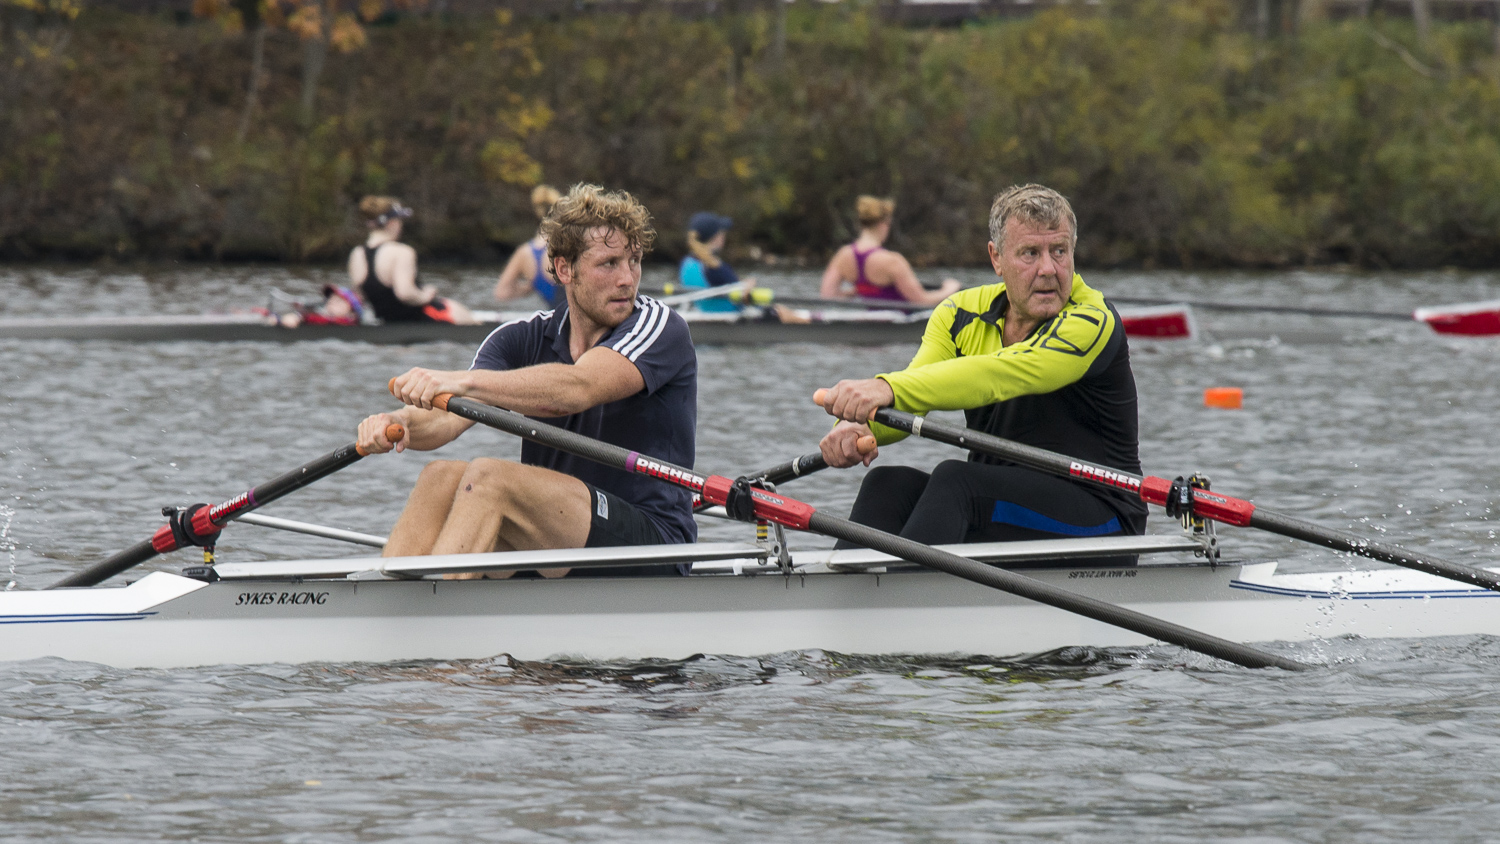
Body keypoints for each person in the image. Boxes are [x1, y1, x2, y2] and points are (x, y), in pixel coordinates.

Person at [355, 184, 698, 579]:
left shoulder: (659, 327)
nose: (627, 279)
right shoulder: (521, 337)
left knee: (490, 477)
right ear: (565, 268)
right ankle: (390, 610)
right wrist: (396, 425)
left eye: (634, 261)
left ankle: (439, 621)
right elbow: (448, 418)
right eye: (609, 264)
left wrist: (467, 383)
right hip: (559, 536)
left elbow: (577, 389)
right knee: (441, 477)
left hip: (650, 541)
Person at [816, 184, 1146, 554]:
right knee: (886, 484)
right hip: (1001, 505)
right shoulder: (958, 314)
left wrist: (886, 388)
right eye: (1030, 253)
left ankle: (902, 599)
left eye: (1059, 251)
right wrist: (856, 425)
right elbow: (910, 400)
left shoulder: (1092, 320)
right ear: (997, 258)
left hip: (1103, 516)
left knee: (957, 481)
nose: (1048, 269)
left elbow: (1002, 374)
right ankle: (842, 600)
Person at [349, 196, 476, 325]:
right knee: (460, 313)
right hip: (417, 319)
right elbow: (405, 293)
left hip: (386, 321)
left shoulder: (356, 254)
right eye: (400, 221)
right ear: (393, 223)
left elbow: (360, 296)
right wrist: (427, 295)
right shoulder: (402, 252)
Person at [819, 196, 961, 307]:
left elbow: (827, 296)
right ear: (884, 224)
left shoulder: (843, 255)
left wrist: (854, 293)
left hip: (870, 324)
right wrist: (949, 290)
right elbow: (921, 301)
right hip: (899, 323)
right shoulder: (892, 261)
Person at [494, 185, 564, 308]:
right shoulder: (571, 243)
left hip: (556, 321)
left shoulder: (525, 253)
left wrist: (530, 287)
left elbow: (502, 293)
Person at [678, 212, 756, 314]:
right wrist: (749, 285)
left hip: (704, 314)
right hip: (729, 320)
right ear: (715, 237)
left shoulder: (686, 263)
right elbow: (743, 296)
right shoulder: (715, 267)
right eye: (722, 232)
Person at [271, 284, 364, 328]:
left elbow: (310, 317)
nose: (331, 302)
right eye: (331, 299)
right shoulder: (320, 314)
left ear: (352, 312)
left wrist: (298, 317)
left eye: (338, 301)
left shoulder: (349, 320)